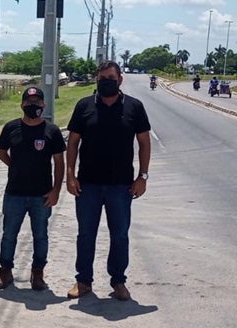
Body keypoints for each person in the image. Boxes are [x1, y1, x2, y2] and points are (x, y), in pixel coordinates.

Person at [65, 61, 151, 301]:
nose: (106, 82)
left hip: (121, 186)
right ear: (97, 80)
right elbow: (72, 143)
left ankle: (118, 281)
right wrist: (70, 176)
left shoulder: (135, 107)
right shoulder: (84, 106)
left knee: (120, 235)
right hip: (88, 185)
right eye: (102, 78)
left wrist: (142, 176)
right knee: (85, 235)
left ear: (120, 80)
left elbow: (144, 143)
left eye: (111, 78)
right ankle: (83, 281)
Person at [0, 87, 66, 291]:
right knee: (9, 235)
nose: (33, 105)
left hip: (42, 195)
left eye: (37, 102)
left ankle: (38, 273)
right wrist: (15, 166)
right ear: (22, 105)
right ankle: (5, 272)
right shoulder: (11, 127)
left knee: (40, 236)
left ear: (43, 104)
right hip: (14, 193)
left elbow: (59, 163)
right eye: (29, 102)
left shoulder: (52, 131)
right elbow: (1, 152)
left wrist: (56, 191)